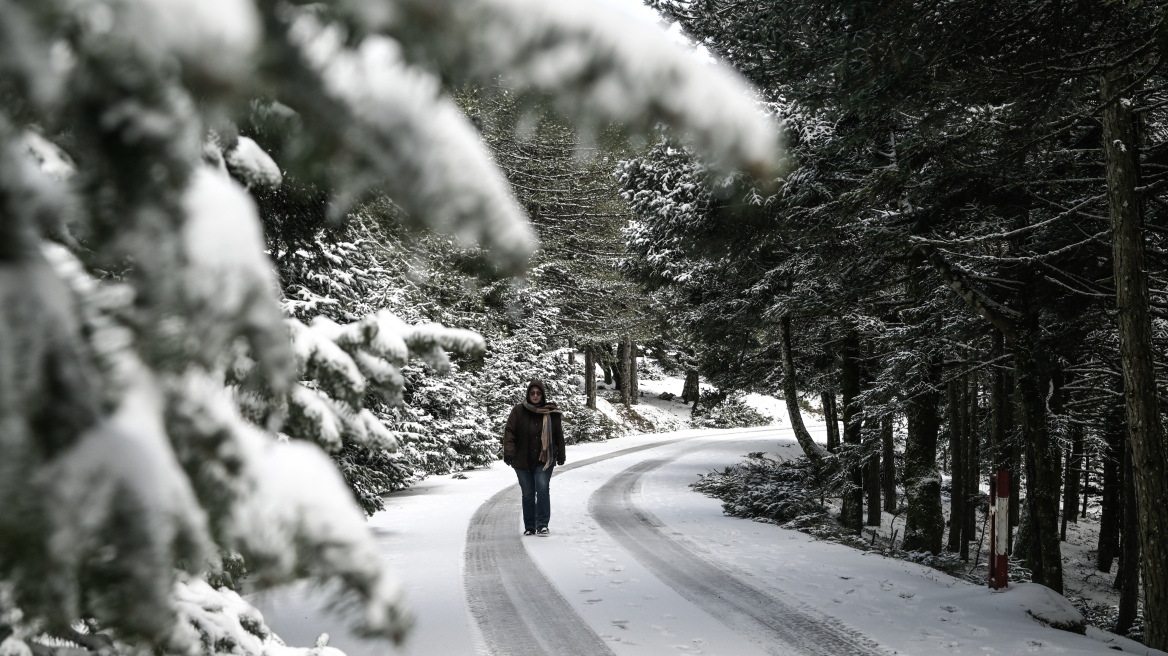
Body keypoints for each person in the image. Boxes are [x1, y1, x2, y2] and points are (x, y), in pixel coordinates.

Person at [502, 379, 565, 535]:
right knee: (528, 494)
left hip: (544, 459)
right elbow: (509, 432)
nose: (535, 396)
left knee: (542, 489)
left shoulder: (551, 412)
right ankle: (530, 526)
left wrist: (561, 454)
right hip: (522, 460)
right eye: (532, 393)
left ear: (542, 395)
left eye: (538, 393)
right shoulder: (518, 411)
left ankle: (542, 524)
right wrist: (509, 451)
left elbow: (558, 435)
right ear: (528, 394)